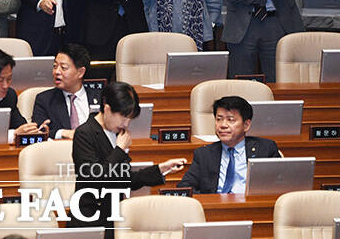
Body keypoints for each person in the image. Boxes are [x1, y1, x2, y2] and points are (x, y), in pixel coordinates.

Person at [70, 81, 186, 237]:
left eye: (130, 119)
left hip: (115, 218)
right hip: (90, 220)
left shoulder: (118, 134)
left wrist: (160, 169)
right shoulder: (84, 134)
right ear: (107, 108)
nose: (126, 123)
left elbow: (125, 179)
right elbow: (94, 178)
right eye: (123, 117)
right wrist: (119, 150)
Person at [178, 96, 280, 193]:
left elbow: (280, 184)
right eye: (219, 119)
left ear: (246, 125)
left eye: (231, 120)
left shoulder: (265, 149)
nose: (223, 125)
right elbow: (185, 187)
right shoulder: (204, 154)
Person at [31, 43, 100, 139]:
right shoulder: (44, 100)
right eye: (55, 66)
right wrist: (63, 133)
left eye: (63, 68)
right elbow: (37, 132)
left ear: (80, 72)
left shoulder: (100, 97)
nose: (57, 72)